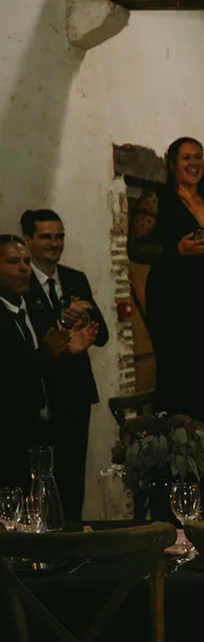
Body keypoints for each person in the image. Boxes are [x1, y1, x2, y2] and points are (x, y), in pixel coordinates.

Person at [127, 137, 204, 428]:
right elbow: (136, 248)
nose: (194, 163)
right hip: (171, 301)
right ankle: (179, 442)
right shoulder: (157, 198)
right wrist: (175, 250)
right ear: (172, 163)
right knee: (177, 377)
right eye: (187, 158)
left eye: (198, 157)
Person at [20, 210, 108, 519]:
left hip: (75, 392)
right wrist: (61, 320)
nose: (54, 243)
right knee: (39, 479)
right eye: (46, 237)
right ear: (28, 240)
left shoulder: (74, 279)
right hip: (41, 393)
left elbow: (103, 335)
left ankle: (74, 534)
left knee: (73, 476)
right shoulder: (20, 282)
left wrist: (84, 316)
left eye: (59, 236)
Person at [1, 235, 99, 494]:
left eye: (26, 261)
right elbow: (10, 372)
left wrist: (66, 350)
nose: (24, 268)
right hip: (12, 431)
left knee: (60, 496)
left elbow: (44, 361)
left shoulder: (32, 307)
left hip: (48, 423)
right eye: (13, 262)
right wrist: (47, 353)